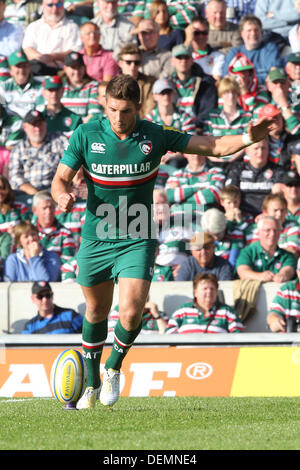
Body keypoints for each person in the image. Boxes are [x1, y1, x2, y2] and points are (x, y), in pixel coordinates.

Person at [50, 74, 274, 409]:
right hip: (97, 237)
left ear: (138, 108)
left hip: (137, 235)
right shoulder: (87, 134)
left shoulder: (154, 135)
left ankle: (113, 367)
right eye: (112, 109)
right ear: (105, 105)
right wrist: (61, 196)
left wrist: (246, 137)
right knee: (96, 310)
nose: (118, 117)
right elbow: (60, 179)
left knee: (130, 311)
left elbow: (210, 145)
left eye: (125, 111)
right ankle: (93, 381)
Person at [8, 109, 68, 205]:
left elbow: (70, 163)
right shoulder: (18, 149)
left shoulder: (59, 140)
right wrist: (38, 195)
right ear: (25, 127)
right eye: (34, 125)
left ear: (45, 124)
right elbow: (15, 178)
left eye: (40, 124)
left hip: (56, 191)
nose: (38, 129)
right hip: (28, 195)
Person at [225, 138, 286, 217]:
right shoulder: (237, 169)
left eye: (263, 148)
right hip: (241, 215)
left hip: (268, 217)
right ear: (247, 150)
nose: (260, 152)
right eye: (256, 148)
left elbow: (280, 201)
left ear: (268, 149)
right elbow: (229, 195)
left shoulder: (278, 170)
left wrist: (266, 215)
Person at [166, 272, 243, 333]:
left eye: (212, 289)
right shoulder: (182, 311)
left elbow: (237, 336)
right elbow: (170, 332)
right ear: (195, 292)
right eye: (205, 288)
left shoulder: (227, 312)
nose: (209, 291)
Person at [22, 0, 82, 76]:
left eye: (59, 4)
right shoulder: (34, 27)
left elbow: (74, 51)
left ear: (63, 5)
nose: (54, 9)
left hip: (62, 72)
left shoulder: (72, 27)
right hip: (37, 70)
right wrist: (43, 59)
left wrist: (52, 57)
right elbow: (28, 49)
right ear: (43, 6)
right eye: (50, 5)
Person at [203, 75, 252, 166]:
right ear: (221, 94)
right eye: (226, 92)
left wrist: (231, 160)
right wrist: (216, 160)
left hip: (237, 163)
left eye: (233, 92)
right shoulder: (212, 116)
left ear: (237, 94)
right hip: (214, 163)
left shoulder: (247, 116)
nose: (230, 96)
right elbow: (206, 142)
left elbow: (246, 143)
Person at [169, 43, 218, 131]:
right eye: (179, 57)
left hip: (198, 130)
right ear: (172, 61)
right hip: (173, 130)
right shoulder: (166, 84)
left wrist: (194, 127)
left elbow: (207, 111)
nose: (183, 61)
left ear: (192, 60)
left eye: (186, 57)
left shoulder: (206, 82)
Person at [222, 15, 284, 84]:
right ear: (242, 33)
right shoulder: (234, 53)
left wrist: (246, 79)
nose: (253, 33)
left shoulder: (269, 48)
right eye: (249, 30)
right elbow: (227, 78)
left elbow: (274, 73)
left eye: (256, 30)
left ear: (261, 32)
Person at [236, 215, 297, 283]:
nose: (272, 234)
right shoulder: (247, 252)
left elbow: (289, 270)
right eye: (267, 230)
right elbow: (243, 272)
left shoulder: (287, 256)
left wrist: (283, 275)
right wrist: (260, 276)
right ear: (258, 232)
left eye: (276, 230)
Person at [165, 152, 225, 218]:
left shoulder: (216, 172)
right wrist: (197, 189)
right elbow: (168, 196)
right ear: (185, 154)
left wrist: (182, 198)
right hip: (177, 217)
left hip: (203, 217)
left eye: (199, 151)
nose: (196, 155)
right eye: (192, 152)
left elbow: (213, 195)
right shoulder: (176, 174)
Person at [32, 190, 76, 264]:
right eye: (44, 208)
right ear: (35, 210)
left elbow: (67, 263)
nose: (48, 211)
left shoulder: (65, 234)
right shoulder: (28, 233)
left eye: (51, 207)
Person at [0, 49, 42, 121]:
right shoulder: (3, 88)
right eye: (18, 66)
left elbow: (41, 111)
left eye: (25, 66)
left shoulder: (40, 87)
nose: (22, 70)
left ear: (29, 67)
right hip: (11, 127)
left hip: (33, 126)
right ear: (11, 70)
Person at [60, 51, 102, 122]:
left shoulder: (93, 86)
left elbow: (94, 114)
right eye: (73, 67)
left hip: (83, 131)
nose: (77, 72)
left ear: (84, 68)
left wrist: (77, 131)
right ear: (65, 68)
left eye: (79, 67)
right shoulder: (59, 86)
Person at [117, 43, 156, 119]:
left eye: (136, 62)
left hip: (143, 125)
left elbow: (150, 108)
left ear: (140, 64)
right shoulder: (113, 85)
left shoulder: (150, 82)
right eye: (128, 62)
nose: (133, 66)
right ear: (120, 63)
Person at [184, 16, 225, 83]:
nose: (201, 36)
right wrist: (188, 40)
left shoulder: (218, 56)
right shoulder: (183, 56)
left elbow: (217, 81)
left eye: (204, 33)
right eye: (196, 33)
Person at [267, 257, 300, 332]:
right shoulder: (288, 290)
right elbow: (273, 314)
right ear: (298, 272)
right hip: (291, 342)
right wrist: (275, 321)